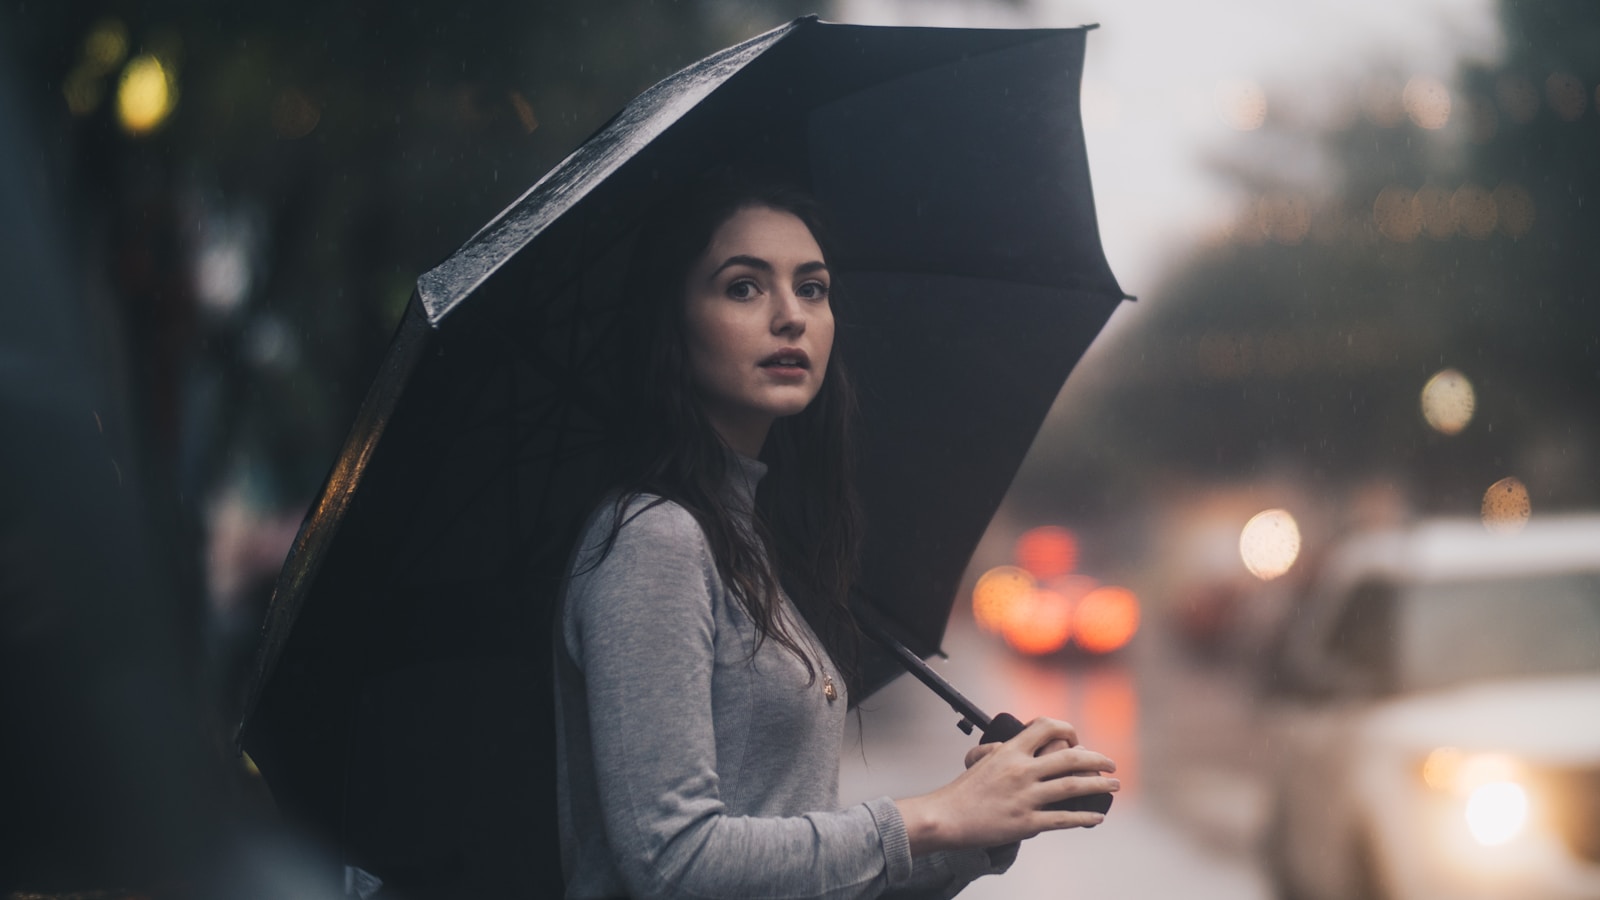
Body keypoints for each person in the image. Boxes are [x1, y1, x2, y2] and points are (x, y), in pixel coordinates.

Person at [551, 175, 1119, 900]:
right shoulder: (654, 541)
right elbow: (675, 863)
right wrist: (935, 817)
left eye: (812, 288)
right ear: (672, 320)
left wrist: (983, 826)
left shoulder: (750, 538)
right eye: (743, 288)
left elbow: (803, 875)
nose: (791, 317)